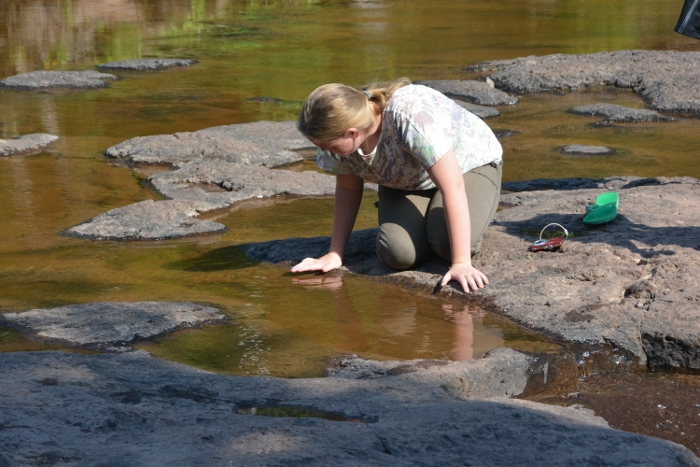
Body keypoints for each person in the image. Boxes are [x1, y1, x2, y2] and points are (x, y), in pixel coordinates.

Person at [291, 77, 503, 293]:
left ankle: (442, 226)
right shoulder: (335, 137)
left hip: (467, 168)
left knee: (447, 245)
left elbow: (453, 185)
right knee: (398, 254)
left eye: (330, 147)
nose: (327, 153)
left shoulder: (408, 116)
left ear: (352, 133)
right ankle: (429, 217)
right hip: (406, 181)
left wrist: (461, 264)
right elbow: (348, 188)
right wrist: (335, 253)